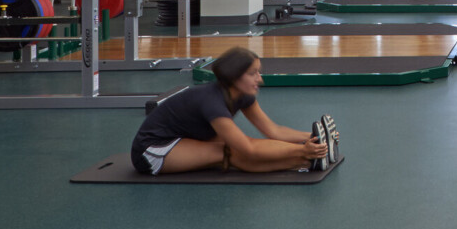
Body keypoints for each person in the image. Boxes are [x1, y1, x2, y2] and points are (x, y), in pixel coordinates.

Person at [129, 47, 329, 175]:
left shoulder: (242, 95)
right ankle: (306, 159)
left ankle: (308, 159)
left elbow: (273, 131)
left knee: (231, 149)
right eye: (253, 74)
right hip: (152, 150)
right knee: (230, 152)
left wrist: (312, 137)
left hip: (184, 138)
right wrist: (302, 149)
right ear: (235, 77)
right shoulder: (212, 102)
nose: (260, 79)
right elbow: (248, 148)